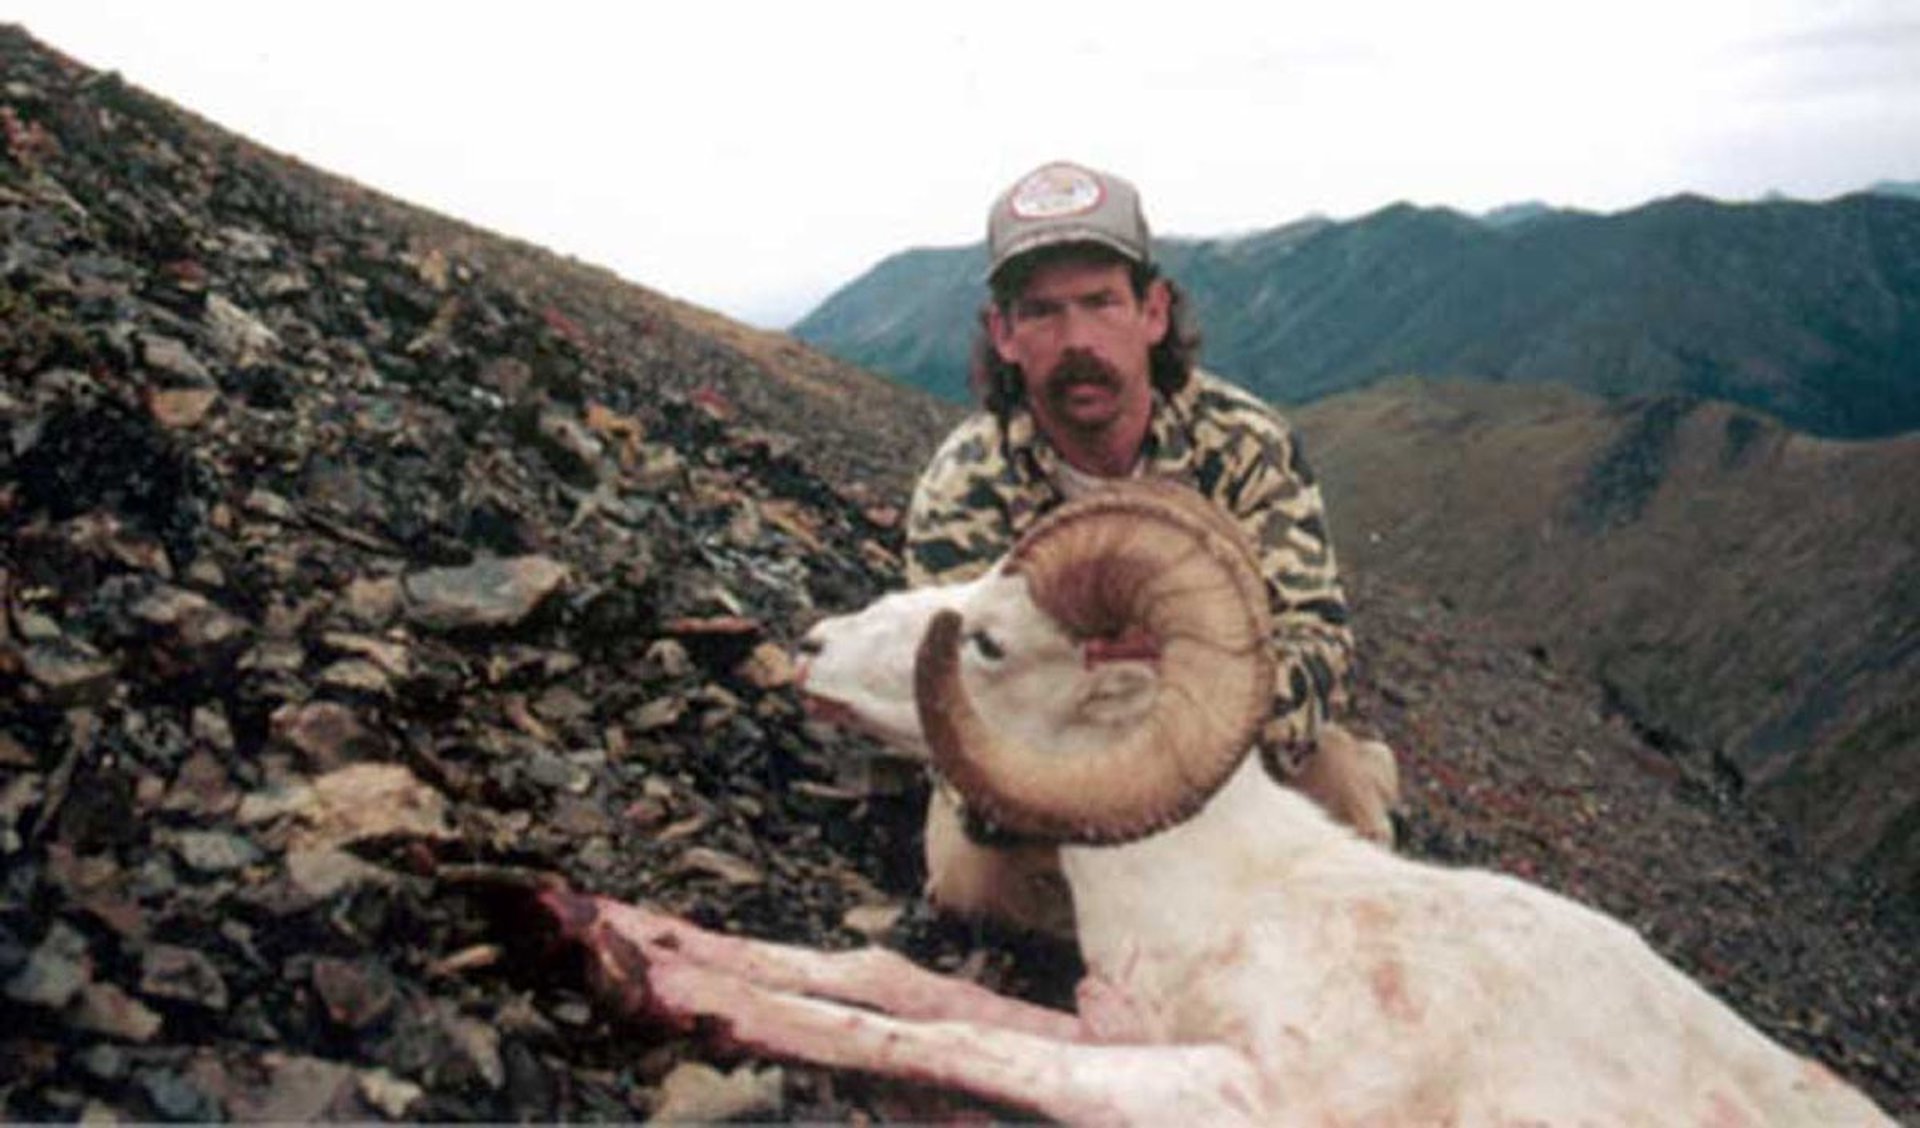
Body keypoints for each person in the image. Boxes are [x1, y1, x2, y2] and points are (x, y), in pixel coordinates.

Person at [902, 160, 1374, 935]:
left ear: (1153, 311)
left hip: (1225, 746)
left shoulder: (1246, 446)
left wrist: (1187, 713)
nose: (1077, 339)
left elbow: (1319, 642)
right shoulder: (964, 489)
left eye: (1100, 303)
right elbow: (961, 695)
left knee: (1343, 794)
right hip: (1055, 769)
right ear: (1003, 333)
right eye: (1043, 312)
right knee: (969, 878)